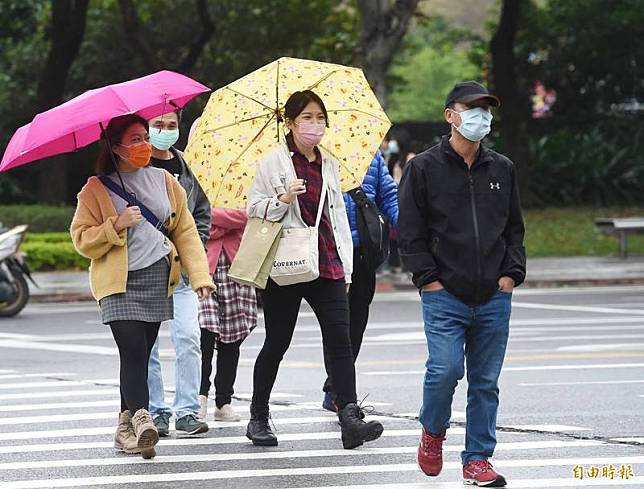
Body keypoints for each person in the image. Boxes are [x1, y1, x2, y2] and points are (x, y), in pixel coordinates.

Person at [398, 81, 526, 487]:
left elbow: (514, 229)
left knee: (485, 383)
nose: (481, 117)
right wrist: (428, 280)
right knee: (445, 370)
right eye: (471, 109)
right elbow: (410, 232)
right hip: (444, 294)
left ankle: (478, 459)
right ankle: (432, 433)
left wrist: (511, 274)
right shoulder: (423, 168)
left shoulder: (501, 168)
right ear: (450, 115)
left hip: (494, 294)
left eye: (486, 110)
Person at [245, 90, 384, 449]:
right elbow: (255, 209)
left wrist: (347, 267)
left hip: (327, 262)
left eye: (320, 118)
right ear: (290, 122)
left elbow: (338, 215)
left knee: (341, 339)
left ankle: (349, 417)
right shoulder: (272, 162)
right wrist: (283, 199)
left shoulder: (329, 162)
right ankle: (258, 415)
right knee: (277, 341)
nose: (315, 125)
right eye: (307, 117)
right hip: (286, 263)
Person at [70, 114, 215, 459]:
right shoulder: (96, 189)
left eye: (143, 137)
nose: (143, 145)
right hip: (117, 283)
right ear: (115, 146)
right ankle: (142, 419)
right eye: (134, 140)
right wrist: (115, 224)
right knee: (133, 349)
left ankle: (125, 430)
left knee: (141, 351)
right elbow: (81, 240)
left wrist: (200, 277)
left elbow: (185, 232)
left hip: (156, 278)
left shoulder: (166, 180)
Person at [146, 110, 211, 437]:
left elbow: (201, 213)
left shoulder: (189, 166)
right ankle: (156, 411)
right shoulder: (135, 166)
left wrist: (193, 248)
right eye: (159, 124)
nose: (165, 130)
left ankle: (186, 410)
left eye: (171, 125)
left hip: (182, 271)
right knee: (148, 347)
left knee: (188, 337)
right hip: (145, 270)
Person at [321, 150, 398, 411]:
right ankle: (338, 390)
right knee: (336, 322)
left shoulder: (370, 154)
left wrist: (410, 227)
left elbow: (388, 196)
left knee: (357, 321)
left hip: (363, 250)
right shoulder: (311, 155)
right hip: (330, 250)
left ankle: (336, 384)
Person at [198, 206, 257, 422]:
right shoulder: (199, 183)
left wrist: (213, 218)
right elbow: (196, 222)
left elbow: (246, 216)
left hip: (238, 268)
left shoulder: (243, 181)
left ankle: (223, 401)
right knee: (204, 335)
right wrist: (227, 223)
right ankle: (200, 396)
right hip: (204, 269)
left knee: (233, 339)